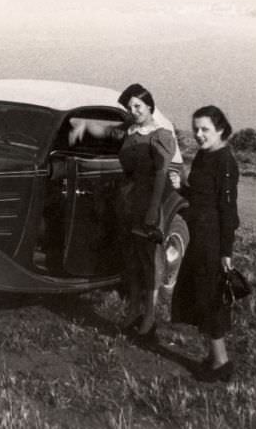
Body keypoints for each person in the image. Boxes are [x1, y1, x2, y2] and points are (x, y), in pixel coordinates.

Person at [69, 83, 178, 337]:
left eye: (138, 106)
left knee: (148, 261)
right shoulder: (130, 132)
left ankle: (149, 317)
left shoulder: (161, 135)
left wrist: (153, 209)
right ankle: (132, 312)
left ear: (150, 106)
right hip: (127, 201)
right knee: (130, 257)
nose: (134, 110)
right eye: (130, 107)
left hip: (148, 202)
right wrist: (81, 127)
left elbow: (161, 174)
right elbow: (104, 134)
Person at [171, 105, 240, 382]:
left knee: (211, 299)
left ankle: (222, 363)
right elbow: (199, 196)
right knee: (202, 295)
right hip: (196, 235)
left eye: (205, 129)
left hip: (212, 240)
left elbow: (228, 211)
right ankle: (213, 359)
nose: (199, 134)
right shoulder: (203, 155)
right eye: (196, 129)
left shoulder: (225, 162)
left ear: (221, 129)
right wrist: (181, 187)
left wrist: (226, 252)